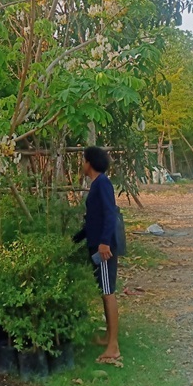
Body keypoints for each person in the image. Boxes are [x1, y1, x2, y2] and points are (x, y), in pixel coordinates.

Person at [73, 146, 121, 365]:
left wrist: (103, 243)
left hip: (104, 249)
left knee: (108, 292)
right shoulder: (98, 184)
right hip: (97, 245)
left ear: (89, 163)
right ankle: (108, 339)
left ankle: (114, 346)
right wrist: (76, 238)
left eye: (83, 161)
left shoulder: (102, 183)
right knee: (104, 291)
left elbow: (110, 214)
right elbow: (94, 219)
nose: (82, 165)